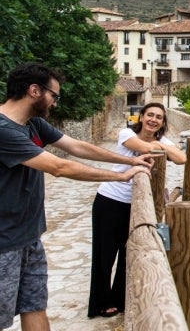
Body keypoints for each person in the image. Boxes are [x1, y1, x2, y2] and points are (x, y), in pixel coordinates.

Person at [0, 62, 154, 331]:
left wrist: (131, 162)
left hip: (29, 237)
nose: (56, 104)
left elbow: (77, 147)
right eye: (54, 96)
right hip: (4, 244)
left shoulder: (32, 124)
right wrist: (118, 177)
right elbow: (60, 167)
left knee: (35, 305)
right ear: (34, 91)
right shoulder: (4, 130)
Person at [88, 102, 186, 319]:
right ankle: (100, 303)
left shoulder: (161, 140)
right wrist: (165, 147)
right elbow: (144, 148)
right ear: (141, 117)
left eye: (159, 117)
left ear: (162, 122)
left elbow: (182, 158)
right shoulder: (126, 133)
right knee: (105, 254)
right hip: (111, 200)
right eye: (150, 115)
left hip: (137, 205)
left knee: (128, 252)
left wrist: (163, 146)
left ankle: (119, 298)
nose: (153, 120)